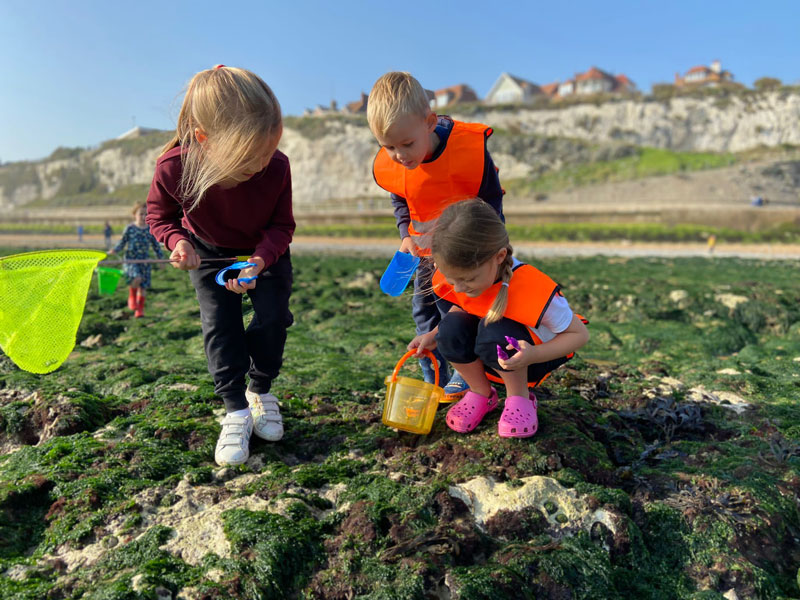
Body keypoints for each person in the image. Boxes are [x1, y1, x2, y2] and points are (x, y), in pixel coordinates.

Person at [146, 65, 294, 467]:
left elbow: (282, 225)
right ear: (204, 140)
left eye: (268, 151)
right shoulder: (174, 166)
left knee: (274, 317)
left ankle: (260, 391)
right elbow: (159, 218)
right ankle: (236, 410)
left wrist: (260, 261)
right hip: (207, 251)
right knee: (220, 325)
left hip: (264, 253)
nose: (262, 165)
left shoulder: (277, 167)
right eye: (249, 158)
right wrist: (178, 243)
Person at [367, 71, 505, 402]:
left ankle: (466, 371)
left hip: (463, 254)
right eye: (388, 147)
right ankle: (434, 379)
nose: (399, 155)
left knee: (456, 312)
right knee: (423, 313)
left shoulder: (468, 153)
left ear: (430, 123)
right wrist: (404, 234)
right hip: (424, 253)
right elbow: (400, 196)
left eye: (407, 144)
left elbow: (492, 203)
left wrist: (490, 251)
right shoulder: (398, 161)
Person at [409, 199, 589, 438]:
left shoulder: (531, 287)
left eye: (469, 280)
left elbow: (579, 335)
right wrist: (432, 336)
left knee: (496, 328)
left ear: (499, 256)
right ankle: (481, 393)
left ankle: (519, 398)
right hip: (489, 354)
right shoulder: (459, 273)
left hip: (533, 356)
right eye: (453, 281)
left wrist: (533, 355)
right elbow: (464, 307)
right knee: (449, 329)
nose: (460, 288)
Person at [110, 203, 164, 318]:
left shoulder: (150, 230)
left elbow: (156, 246)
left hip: (144, 261)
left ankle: (139, 310)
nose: (144, 217)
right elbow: (122, 242)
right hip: (131, 260)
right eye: (141, 214)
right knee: (137, 278)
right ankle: (132, 297)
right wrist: (114, 250)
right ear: (134, 215)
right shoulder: (130, 228)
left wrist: (161, 259)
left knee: (143, 287)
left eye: (146, 214)